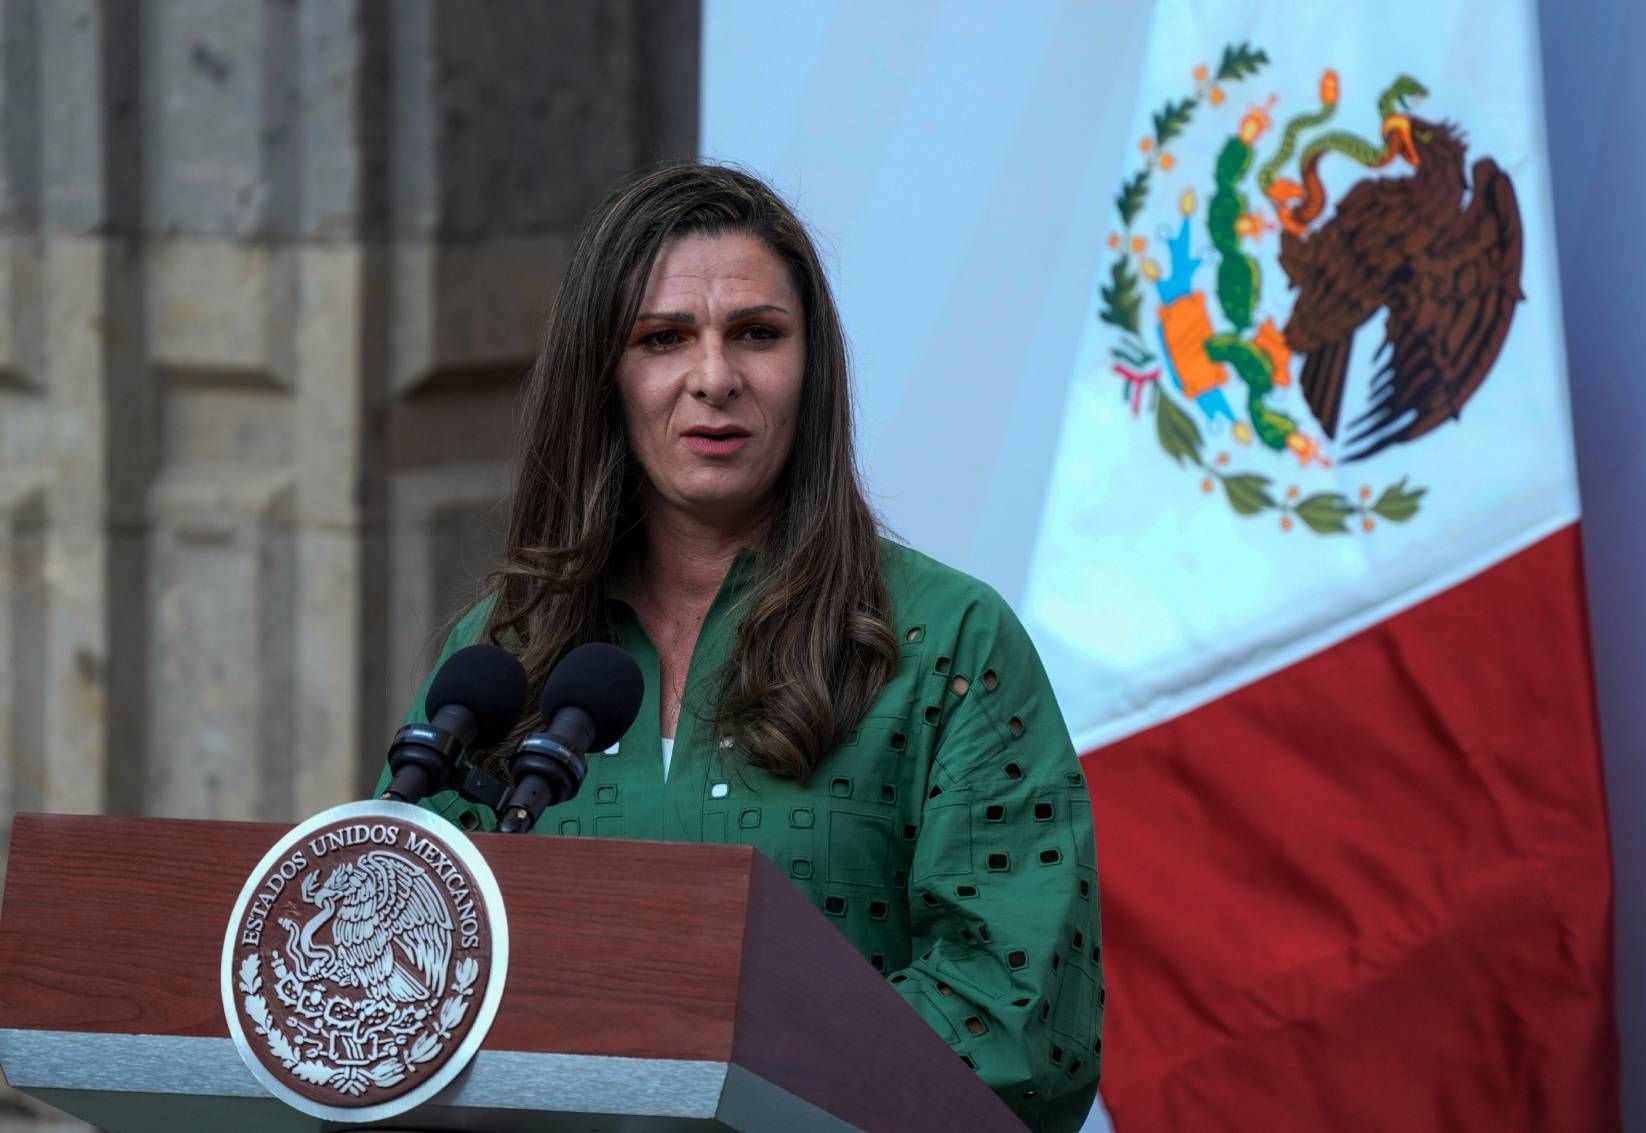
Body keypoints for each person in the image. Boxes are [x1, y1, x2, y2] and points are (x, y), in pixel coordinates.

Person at [374, 162, 1103, 1128]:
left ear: (813, 368)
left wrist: (705, 1075)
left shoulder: (945, 640)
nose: (714, 377)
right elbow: (393, 950)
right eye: (663, 338)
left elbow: (1021, 1022)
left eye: (757, 334)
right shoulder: (506, 649)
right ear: (606, 374)